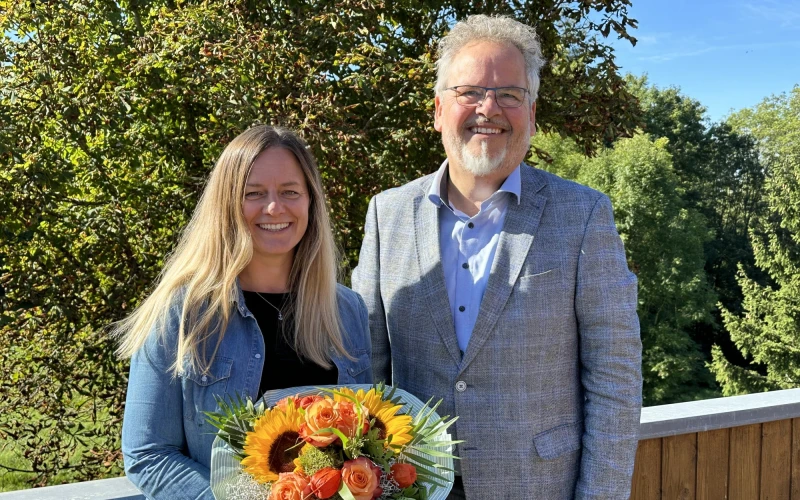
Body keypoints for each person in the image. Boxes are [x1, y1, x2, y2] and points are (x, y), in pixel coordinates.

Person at [352, 15, 642, 499]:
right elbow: (367, 369)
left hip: (538, 486)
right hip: (409, 487)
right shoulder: (388, 214)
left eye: (509, 94)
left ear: (532, 113)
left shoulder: (583, 214)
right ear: (438, 110)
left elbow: (615, 380)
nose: (488, 108)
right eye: (469, 92)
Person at [117, 125, 373, 499]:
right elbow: (148, 455)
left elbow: (366, 443)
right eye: (254, 194)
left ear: (310, 202)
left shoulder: (347, 311)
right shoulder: (181, 314)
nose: (274, 207)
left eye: (290, 192)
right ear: (227, 204)